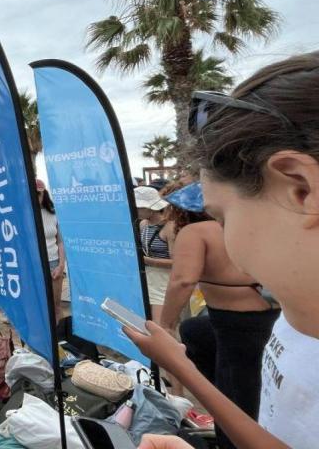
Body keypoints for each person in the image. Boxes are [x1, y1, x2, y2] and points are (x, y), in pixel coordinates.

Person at [126, 53, 319, 449]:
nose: (225, 240)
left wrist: (181, 365)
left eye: (224, 217)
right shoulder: (295, 319)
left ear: (300, 188)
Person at [158, 182, 280, 449]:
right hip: (273, 319)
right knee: (195, 330)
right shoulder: (252, 225)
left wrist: (165, 323)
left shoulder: (196, 231)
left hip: (234, 324)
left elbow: (183, 281)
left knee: (238, 398)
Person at [134, 185, 175, 323]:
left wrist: (148, 261)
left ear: (150, 208)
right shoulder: (143, 224)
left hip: (165, 283)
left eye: (139, 207)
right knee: (149, 325)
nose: (135, 209)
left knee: (161, 327)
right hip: (147, 281)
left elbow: (179, 263)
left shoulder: (170, 227)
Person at [36, 180, 67, 321]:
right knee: (38, 305)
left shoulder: (55, 214)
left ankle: (58, 338)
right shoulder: (23, 215)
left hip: (53, 262)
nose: (35, 197)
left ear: (44, 194)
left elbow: (60, 242)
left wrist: (61, 266)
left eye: (38, 194)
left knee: (56, 305)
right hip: (34, 265)